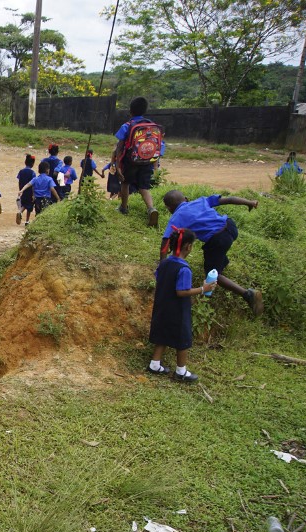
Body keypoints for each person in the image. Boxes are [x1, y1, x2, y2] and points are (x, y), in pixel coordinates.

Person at [160, 190, 263, 314]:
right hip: (230, 226)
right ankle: (222, 262)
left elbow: (165, 242)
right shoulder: (200, 201)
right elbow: (229, 199)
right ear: (186, 198)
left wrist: (163, 265)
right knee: (216, 251)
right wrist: (249, 202)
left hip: (219, 239)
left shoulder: (176, 217)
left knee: (213, 274)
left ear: (169, 208)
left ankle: (247, 294)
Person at [148, 228, 217, 382]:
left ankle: (155, 364)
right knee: (183, 338)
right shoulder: (184, 269)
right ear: (188, 247)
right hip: (177, 309)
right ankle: (181, 371)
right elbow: (181, 291)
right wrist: (203, 289)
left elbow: (159, 277)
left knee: (162, 334)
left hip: (162, 305)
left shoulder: (165, 262)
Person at [113, 96, 164, 226]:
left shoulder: (127, 126)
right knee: (144, 187)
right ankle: (151, 209)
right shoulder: (152, 126)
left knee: (125, 183)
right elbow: (159, 147)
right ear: (145, 110)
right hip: (147, 161)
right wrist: (154, 164)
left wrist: (118, 165)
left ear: (130, 111)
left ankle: (123, 208)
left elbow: (119, 147)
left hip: (131, 161)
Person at [16, 155, 36, 226]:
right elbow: (33, 184)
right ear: (33, 164)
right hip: (29, 191)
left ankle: (20, 211)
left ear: (25, 162)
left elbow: (19, 180)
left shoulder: (21, 171)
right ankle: (27, 221)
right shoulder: (32, 173)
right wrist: (33, 194)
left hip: (22, 190)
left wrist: (20, 190)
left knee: (24, 204)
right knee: (29, 206)